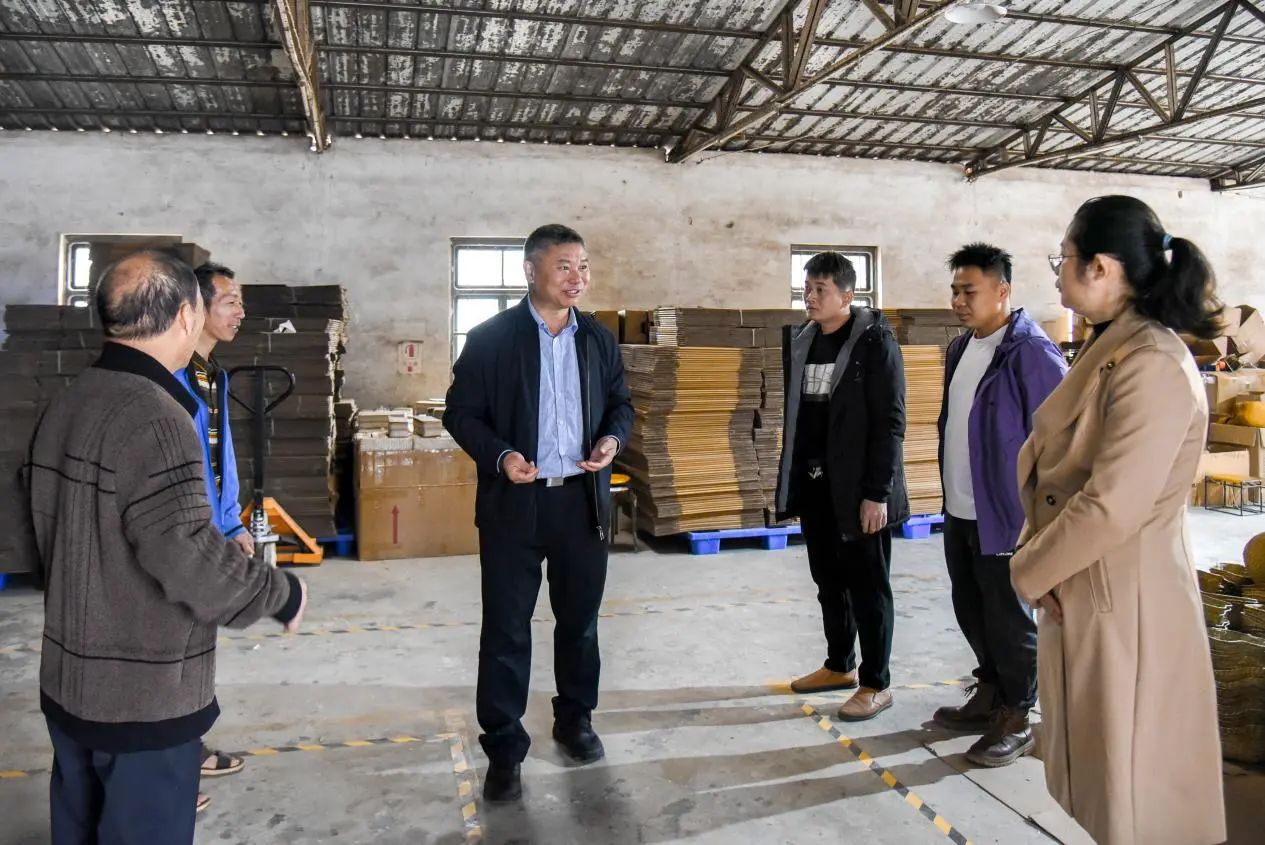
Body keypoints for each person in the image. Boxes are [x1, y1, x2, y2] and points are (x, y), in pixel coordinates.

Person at [20, 251, 308, 845]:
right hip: (141, 695)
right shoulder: (157, 417)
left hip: (70, 679)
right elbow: (186, 553)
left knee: (78, 824)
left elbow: (41, 532)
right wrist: (279, 593)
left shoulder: (72, 400)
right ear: (184, 316)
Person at [1010, 196, 1225, 844]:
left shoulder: (1152, 363)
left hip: (1127, 598)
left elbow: (1112, 504)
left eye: (1063, 260)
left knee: (1134, 787)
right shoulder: (1113, 347)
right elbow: (1064, 479)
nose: (1057, 275)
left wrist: (1028, 568)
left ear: (1100, 267)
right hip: (1091, 582)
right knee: (1104, 782)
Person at [442, 224, 634, 803]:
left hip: (581, 502)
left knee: (580, 623)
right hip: (514, 504)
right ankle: (504, 747)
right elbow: (461, 412)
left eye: (584, 267)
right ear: (531, 271)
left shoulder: (597, 339)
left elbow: (621, 403)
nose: (577, 278)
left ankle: (575, 720)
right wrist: (501, 456)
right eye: (564, 266)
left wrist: (612, 441)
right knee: (506, 629)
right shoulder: (491, 339)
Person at [932, 243, 1066, 767]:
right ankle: (989, 690)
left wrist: (1044, 520)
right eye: (954, 291)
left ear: (1002, 290)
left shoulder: (1030, 352)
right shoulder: (960, 348)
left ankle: (1019, 714)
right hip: (960, 507)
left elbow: (1062, 441)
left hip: (1006, 514)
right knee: (972, 607)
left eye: (969, 291)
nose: (958, 301)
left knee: (1011, 620)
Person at [775, 251, 908, 721]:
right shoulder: (804, 341)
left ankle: (877, 683)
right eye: (807, 288)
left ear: (847, 295)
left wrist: (877, 493)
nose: (810, 297)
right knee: (828, 582)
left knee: (869, 587)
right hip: (817, 486)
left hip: (858, 489)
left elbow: (890, 423)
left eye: (821, 290)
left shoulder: (875, 342)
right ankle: (839, 665)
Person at [173, 263, 253, 808]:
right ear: (196, 307)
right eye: (230, 301)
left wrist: (232, 522)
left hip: (209, 533)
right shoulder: (170, 376)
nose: (240, 312)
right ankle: (169, 773)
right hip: (179, 535)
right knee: (172, 652)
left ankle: (187, 750)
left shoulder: (212, 376)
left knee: (196, 647)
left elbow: (219, 458)